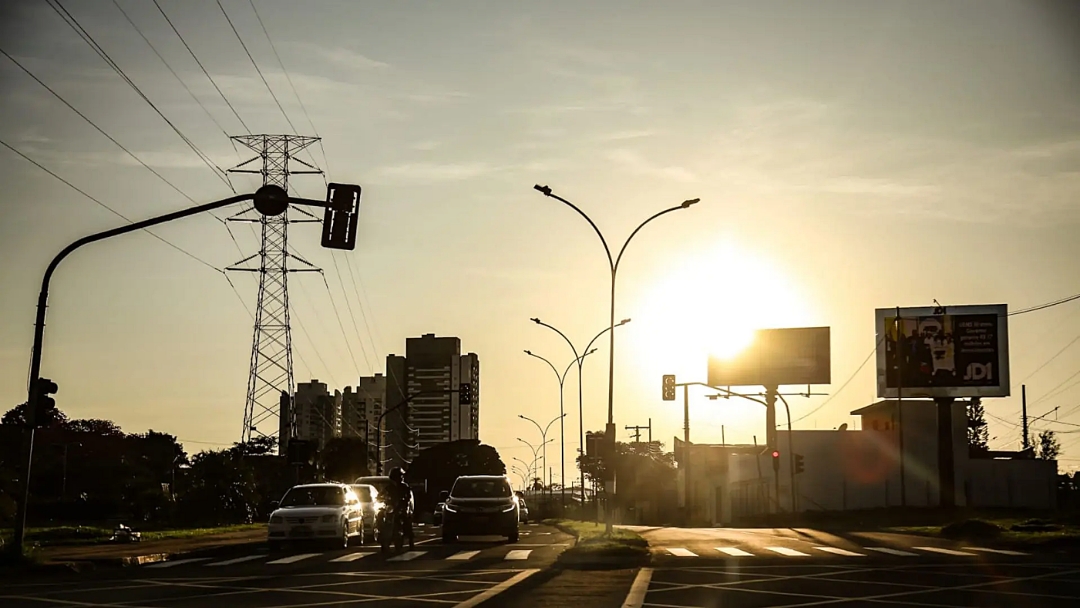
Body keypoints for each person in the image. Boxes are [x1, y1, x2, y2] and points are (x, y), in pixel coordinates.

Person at [387, 467, 415, 549]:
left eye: (400, 476)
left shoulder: (404, 486)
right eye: (397, 476)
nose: (399, 478)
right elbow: (382, 494)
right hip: (392, 507)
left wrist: (404, 500)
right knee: (383, 518)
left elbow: (409, 496)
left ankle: (410, 539)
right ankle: (384, 537)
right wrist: (380, 498)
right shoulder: (390, 487)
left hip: (402, 507)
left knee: (407, 521)